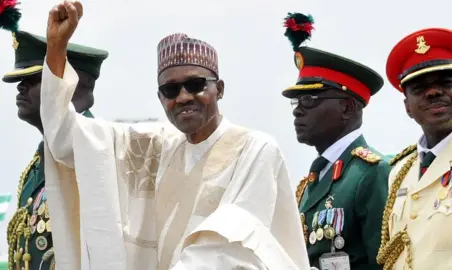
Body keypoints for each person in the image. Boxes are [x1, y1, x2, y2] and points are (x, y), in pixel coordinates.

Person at [38, 1, 310, 269]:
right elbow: (64, 139)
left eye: (195, 85)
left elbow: (229, 248)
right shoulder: (153, 149)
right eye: (170, 90)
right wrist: (56, 50)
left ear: (220, 89)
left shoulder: (256, 151)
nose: (183, 97)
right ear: (160, 97)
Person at [281, 12, 391, 270]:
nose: (298, 110)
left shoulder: (372, 172)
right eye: (296, 102)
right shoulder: (312, 181)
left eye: (309, 100)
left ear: (348, 108)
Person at [2, 29, 108, 269]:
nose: (20, 87)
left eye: (35, 78)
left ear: (72, 84)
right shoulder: (37, 165)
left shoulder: (98, 153)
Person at [377, 28, 452, 270]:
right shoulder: (400, 171)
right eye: (419, 88)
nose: (433, 92)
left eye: (445, 82)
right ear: (408, 107)